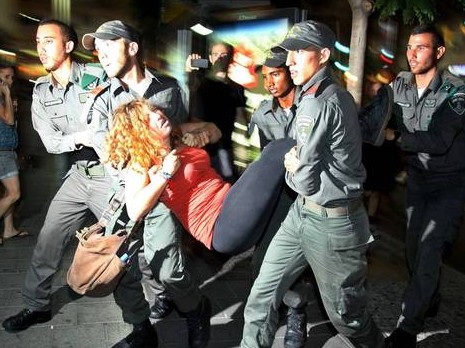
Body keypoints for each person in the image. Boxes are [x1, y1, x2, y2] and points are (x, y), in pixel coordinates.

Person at [0, 19, 161, 348]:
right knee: (47, 240)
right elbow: (51, 143)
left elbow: (126, 121)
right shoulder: (41, 91)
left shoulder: (98, 76)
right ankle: (37, 305)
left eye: (49, 41)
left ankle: (142, 325)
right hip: (77, 176)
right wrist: (87, 136)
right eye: (38, 41)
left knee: (118, 252)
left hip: (112, 177)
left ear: (69, 46)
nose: (41, 48)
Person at [240, 20, 385, 348]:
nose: (289, 61)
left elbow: (302, 178)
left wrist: (292, 165)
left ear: (322, 55)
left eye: (298, 53)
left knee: (348, 318)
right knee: (263, 295)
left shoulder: (318, 101)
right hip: (302, 216)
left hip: (333, 224)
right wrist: (297, 160)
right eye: (288, 53)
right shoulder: (321, 94)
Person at [82, 20, 210, 348]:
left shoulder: (167, 89)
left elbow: (179, 133)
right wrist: (137, 179)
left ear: (132, 48)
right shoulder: (100, 98)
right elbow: (108, 155)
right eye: (98, 48)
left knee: (168, 268)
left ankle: (196, 309)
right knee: (119, 266)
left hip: (164, 194)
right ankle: (141, 329)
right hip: (126, 193)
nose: (101, 53)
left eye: (108, 45)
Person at [105, 98, 294, 256]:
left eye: (154, 110)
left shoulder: (178, 134)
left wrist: (200, 134)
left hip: (233, 205)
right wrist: (164, 175)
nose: (158, 115)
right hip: (219, 225)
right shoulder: (142, 162)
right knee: (277, 150)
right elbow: (134, 211)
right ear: (139, 132)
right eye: (147, 119)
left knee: (286, 195)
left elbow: (215, 130)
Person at [384, 24, 465, 348]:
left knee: (430, 249)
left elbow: (441, 140)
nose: (412, 53)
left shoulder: (456, 92)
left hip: (450, 184)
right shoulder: (400, 85)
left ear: (439, 52)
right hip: (417, 180)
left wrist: (396, 138)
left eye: (421, 47)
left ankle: (408, 325)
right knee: (414, 250)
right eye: (409, 47)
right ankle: (429, 297)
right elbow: (377, 113)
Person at [249, 50, 314, 348]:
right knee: (263, 261)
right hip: (278, 195)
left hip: (310, 194)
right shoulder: (262, 113)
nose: (270, 83)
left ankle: (297, 313)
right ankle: (269, 322)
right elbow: (266, 160)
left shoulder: (313, 106)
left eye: (275, 74)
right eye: (265, 77)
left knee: (304, 262)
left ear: (289, 72)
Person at [186, 40, 247, 182]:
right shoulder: (200, 83)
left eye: (223, 54)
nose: (219, 58)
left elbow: (241, 122)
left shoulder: (236, 89)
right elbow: (186, 98)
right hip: (199, 148)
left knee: (226, 185)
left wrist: (242, 155)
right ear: (210, 58)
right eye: (216, 54)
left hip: (224, 149)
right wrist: (189, 71)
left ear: (230, 58)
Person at [361, 68, 401, 233]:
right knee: (365, 190)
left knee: (373, 190)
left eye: (377, 83)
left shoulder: (393, 109)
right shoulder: (372, 104)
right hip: (368, 153)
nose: (373, 86)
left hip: (381, 157)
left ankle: (370, 221)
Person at [0, 63, 28, 245]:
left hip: (7, 151)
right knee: (14, 193)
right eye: (6, 77)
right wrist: (8, 96)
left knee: (6, 193)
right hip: (2, 153)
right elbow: (9, 120)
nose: (11, 81)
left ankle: (8, 229)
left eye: (12, 77)